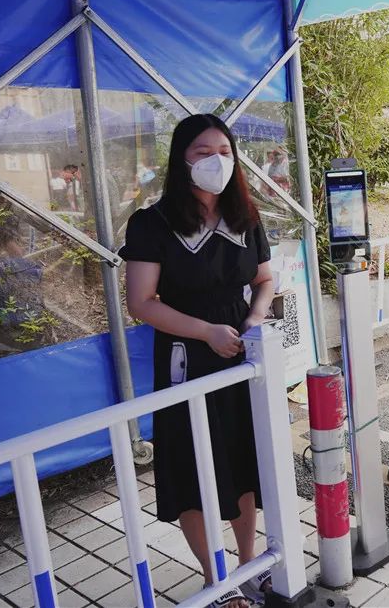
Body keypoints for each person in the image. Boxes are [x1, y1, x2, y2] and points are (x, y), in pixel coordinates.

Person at [120, 114, 275, 608]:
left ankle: (248, 566)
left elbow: (266, 280)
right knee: (193, 469)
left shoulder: (245, 217)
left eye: (225, 152)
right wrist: (206, 331)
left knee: (243, 460)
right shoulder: (152, 223)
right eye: (203, 153)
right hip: (186, 357)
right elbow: (141, 302)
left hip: (241, 353)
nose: (217, 162)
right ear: (181, 160)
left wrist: (254, 318)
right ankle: (216, 580)